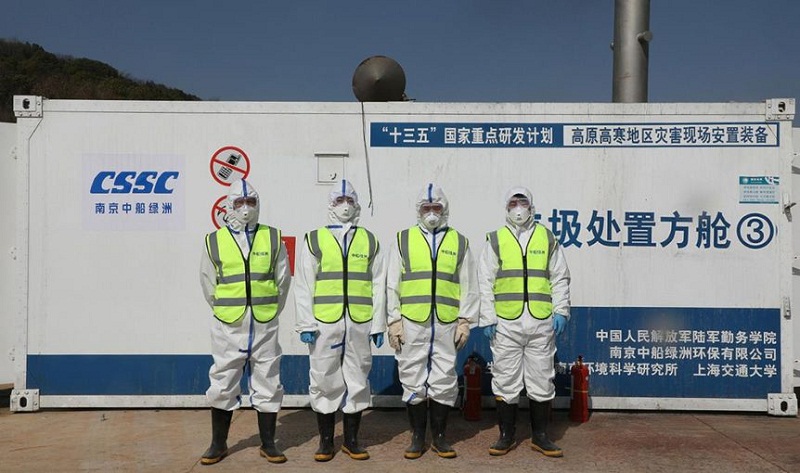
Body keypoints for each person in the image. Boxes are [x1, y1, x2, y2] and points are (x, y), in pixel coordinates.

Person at [199, 179, 292, 465]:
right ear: (229, 206)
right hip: (229, 323)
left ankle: (268, 443)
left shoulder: (273, 237)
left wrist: (270, 310)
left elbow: (282, 280)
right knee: (223, 379)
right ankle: (218, 443)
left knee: (268, 379)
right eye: (239, 203)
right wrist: (226, 310)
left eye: (251, 202)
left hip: (264, 322)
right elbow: (208, 284)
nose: (245, 208)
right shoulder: (214, 240)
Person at [294, 180, 387, 462]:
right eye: (339, 200)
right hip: (324, 323)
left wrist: (378, 324)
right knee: (324, 378)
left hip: (359, 321)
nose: (345, 205)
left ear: (357, 205)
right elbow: (304, 284)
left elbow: (379, 284)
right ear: (330, 204)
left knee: (357, 378)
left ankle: (351, 441)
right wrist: (306, 323)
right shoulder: (314, 239)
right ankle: (325, 442)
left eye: (350, 200)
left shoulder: (370, 240)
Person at [386, 183, 478, 459]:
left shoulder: (459, 242)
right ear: (418, 210)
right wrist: (393, 320)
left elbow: (469, 285)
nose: (431, 213)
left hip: (446, 322)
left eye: (436, 207)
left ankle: (439, 438)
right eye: (426, 208)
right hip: (412, 321)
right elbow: (392, 283)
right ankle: (417, 438)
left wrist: (465, 320)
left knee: (444, 378)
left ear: (444, 209)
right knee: (412, 375)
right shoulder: (403, 239)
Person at [478, 186, 571, 458]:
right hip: (506, 322)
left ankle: (540, 437)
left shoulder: (547, 237)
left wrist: (561, 310)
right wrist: (488, 317)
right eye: (513, 203)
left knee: (542, 378)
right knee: (505, 378)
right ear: (506, 207)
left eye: (523, 202)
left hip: (541, 321)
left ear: (532, 206)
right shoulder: (496, 239)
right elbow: (485, 281)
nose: (518, 208)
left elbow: (560, 277)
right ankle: (506, 436)